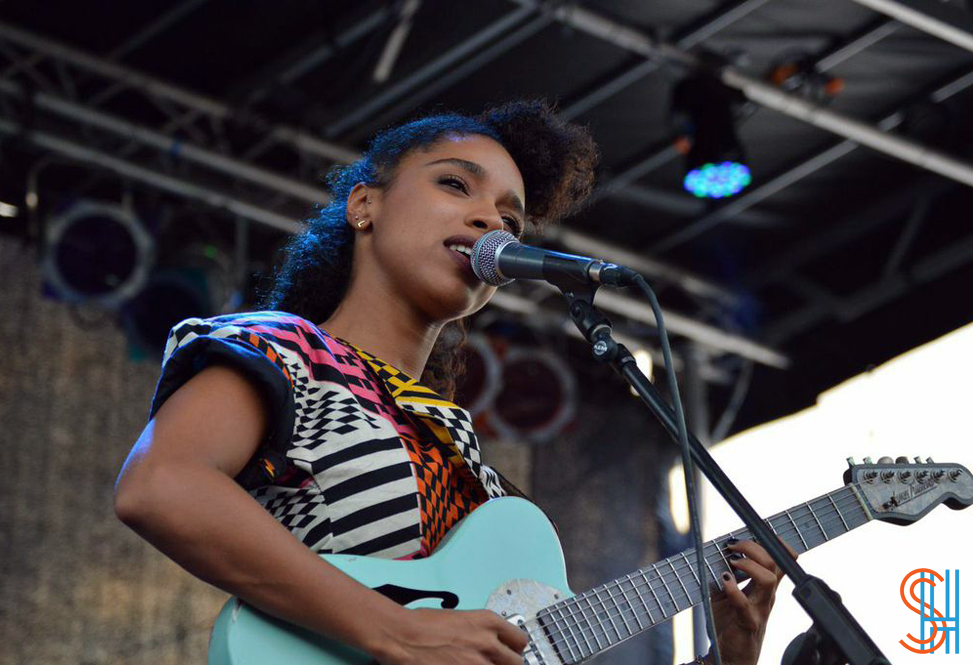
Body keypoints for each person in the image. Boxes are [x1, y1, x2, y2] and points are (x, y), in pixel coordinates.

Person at [114, 100, 788, 665]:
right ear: (363, 206)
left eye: (511, 218)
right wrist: (394, 628)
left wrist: (725, 657)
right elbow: (160, 485)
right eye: (454, 185)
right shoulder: (283, 349)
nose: (491, 221)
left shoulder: (483, 484)